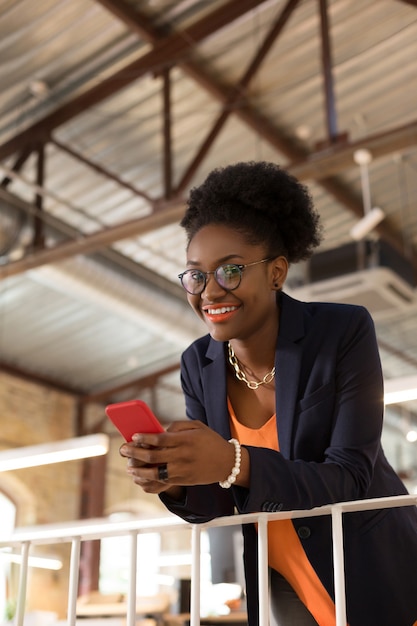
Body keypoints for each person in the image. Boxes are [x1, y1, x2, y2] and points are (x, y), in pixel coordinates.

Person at [120, 161, 417, 626]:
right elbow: (221, 504)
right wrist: (175, 479)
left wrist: (233, 462)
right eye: (195, 275)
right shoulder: (198, 365)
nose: (209, 291)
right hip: (279, 576)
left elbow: (350, 478)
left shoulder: (342, 331)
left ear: (277, 272)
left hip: (369, 564)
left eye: (231, 270)